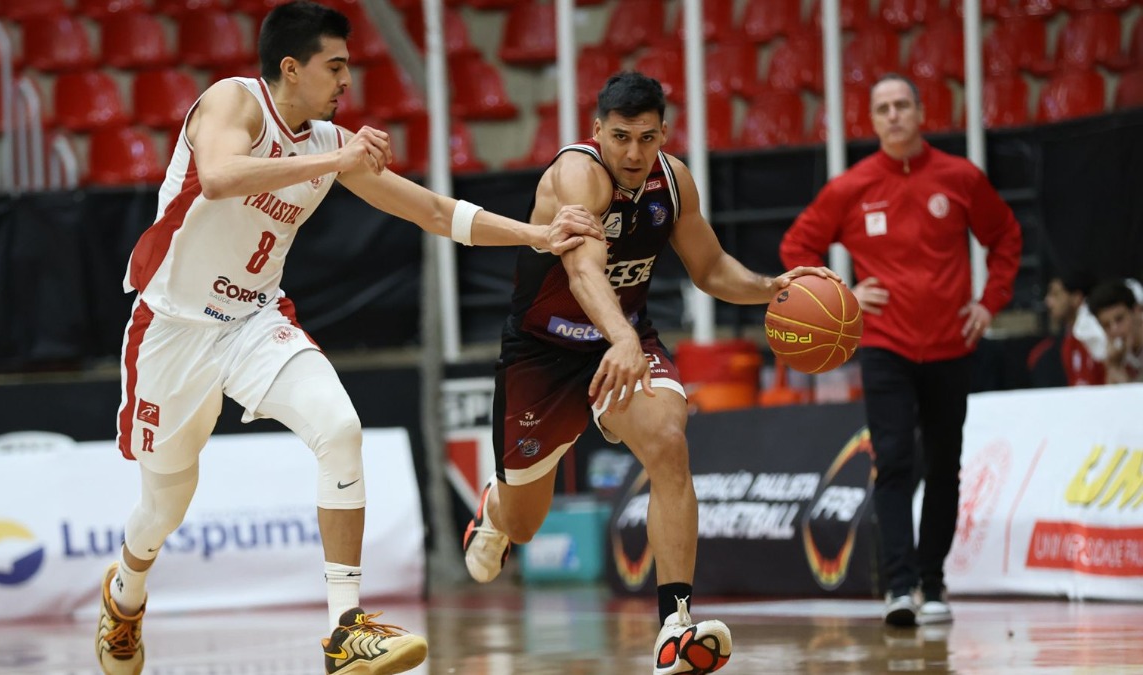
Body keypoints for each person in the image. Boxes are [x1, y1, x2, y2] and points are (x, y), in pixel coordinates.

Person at [95, 3, 603, 675]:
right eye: (334, 67)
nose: (345, 81)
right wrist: (336, 156)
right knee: (164, 506)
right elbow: (218, 176)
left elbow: (430, 209)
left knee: (340, 427)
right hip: (171, 326)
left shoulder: (327, 142)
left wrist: (535, 234)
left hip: (253, 319)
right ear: (290, 67)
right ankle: (125, 593)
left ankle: (344, 626)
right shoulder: (234, 103)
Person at [460, 71, 838, 675]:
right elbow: (584, 272)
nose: (633, 153)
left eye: (646, 137)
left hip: (628, 342)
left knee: (668, 440)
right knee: (526, 526)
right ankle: (496, 509)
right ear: (596, 132)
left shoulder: (674, 181)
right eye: (620, 137)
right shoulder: (576, 176)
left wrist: (771, 288)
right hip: (545, 351)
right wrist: (620, 337)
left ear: (663, 132)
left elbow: (711, 269)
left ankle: (675, 624)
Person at [779, 74, 1022, 627]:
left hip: (952, 344)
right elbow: (797, 246)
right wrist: (842, 295)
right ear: (873, 118)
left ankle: (933, 584)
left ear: (920, 111)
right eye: (883, 107)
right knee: (892, 462)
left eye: (902, 105)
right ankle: (900, 586)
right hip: (885, 346)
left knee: (944, 466)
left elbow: (1006, 237)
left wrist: (989, 303)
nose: (893, 115)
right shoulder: (852, 187)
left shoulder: (959, 179)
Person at [1028, 271, 1103, 387]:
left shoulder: (1098, 335)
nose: (1048, 302)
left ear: (1076, 298)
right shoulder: (1064, 343)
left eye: (1055, 294)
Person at [1086, 280, 1143, 384]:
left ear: (1137, 311)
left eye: (1119, 319)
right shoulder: (1116, 354)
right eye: (1106, 325)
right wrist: (1113, 366)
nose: (1114, 329)